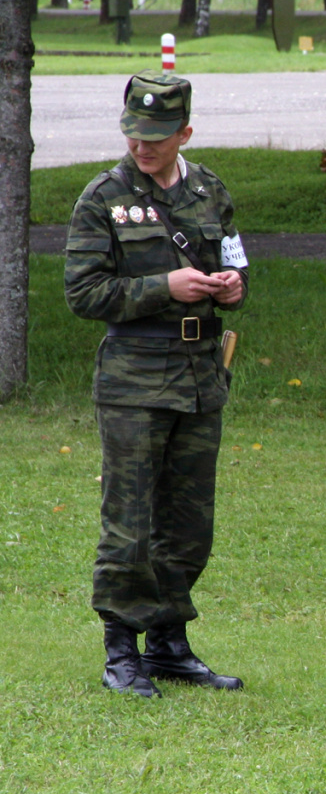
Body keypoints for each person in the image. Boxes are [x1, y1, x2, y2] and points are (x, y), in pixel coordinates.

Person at [65, 72, 249, 696]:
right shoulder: (103, 198)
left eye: (157, 137)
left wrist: (233, 288)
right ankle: (122, 649)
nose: (142, 147)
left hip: (200, 376)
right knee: (130, 521)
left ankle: (169, 642)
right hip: (134, 379)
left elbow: (235, 266)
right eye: (133, 134)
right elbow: (83, 293)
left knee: (189, 522)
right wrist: (161, 288)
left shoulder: (209, 191)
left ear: (185, 133)